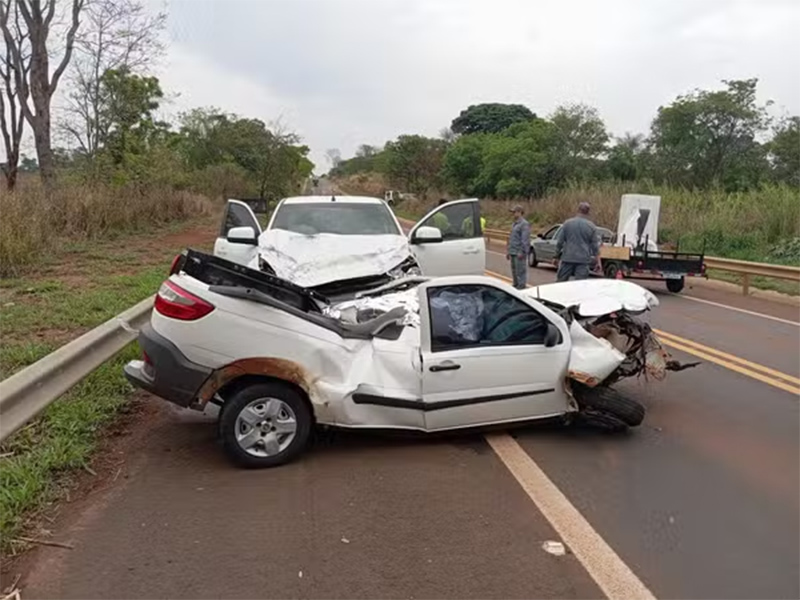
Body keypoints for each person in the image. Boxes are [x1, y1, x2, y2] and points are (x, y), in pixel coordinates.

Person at [554, 202, 601, 282]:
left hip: (568, 258)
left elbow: (560, 242)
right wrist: (598, 262)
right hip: (583, 260)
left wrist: (556, 256)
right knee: (580, 285)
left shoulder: (567, 223)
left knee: (561, 283)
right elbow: (595, 247)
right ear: (588, 212)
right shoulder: (591, 226)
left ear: (578, 210)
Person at [506, 204, 531, 289]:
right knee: (514, 272)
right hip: (513, 251)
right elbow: (511, 238)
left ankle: (521, 288)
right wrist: (508, 251)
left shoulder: (524, 224)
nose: (513, 214)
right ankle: (515, 286)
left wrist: (523, 251)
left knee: (520, 272)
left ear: (520, 212)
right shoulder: (514, 224)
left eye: (514, 212)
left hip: (519, 252)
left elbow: (525, 240)